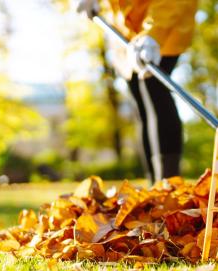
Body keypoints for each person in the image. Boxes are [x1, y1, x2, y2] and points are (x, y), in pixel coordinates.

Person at [75, 0, 199, 184]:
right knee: (141, 104)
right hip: (125, 33)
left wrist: (153, 34)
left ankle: (168, 184)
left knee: (154, 91)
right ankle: (154, 185)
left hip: (163, 23)